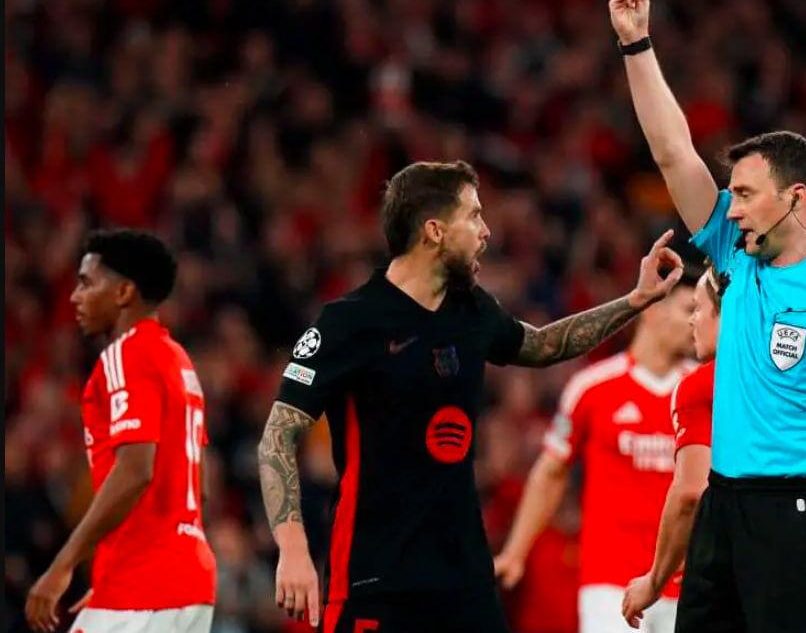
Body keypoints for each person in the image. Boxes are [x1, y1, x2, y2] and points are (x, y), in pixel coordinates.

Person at [256, 160, 686, 633]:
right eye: (474, 215)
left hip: (464, 577)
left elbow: (543, 345)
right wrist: (292, 547)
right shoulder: (350, 321)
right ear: (434, 231)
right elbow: (278, 434)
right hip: (376, 576)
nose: (486, 231)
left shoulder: (472, 310)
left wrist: (634, 301)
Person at [609, 0, 806, 633]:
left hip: (795, 514)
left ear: (796, 197)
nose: (732, 207)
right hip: (721, 510)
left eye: (746, 194)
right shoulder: (734, 254)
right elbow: (671, 152)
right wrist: (636, 44)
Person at [622, 269, 806, 633]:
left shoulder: (705, 386)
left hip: (766, 594)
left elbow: (690, 493)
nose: (692, 320)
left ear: (729, 313)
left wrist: (655, 580)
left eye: (698, 308)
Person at [25, 230, 217, 633]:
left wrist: (63, 565)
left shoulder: (127, 354)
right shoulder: (177, 360)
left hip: (145, 585)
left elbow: (135, 470)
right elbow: (196, 486)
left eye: (86, 283)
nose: (74, 297)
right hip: (189, 582)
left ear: (124, 292)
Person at [493, 271, 697, 633]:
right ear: (653, 311)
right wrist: (515, 552)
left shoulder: (704, 390)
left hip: (687, 584)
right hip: (610, 583)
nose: (696, 321)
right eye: (688, 310)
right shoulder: (592, 387)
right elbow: (551, 472)